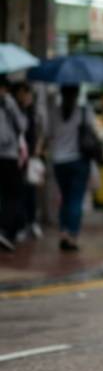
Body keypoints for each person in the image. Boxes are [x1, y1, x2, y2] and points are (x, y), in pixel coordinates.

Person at [46, 85, 96, 252]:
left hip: (59, 161)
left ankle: (63, 233)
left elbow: (48, 135)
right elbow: (93, 132)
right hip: (78, 161)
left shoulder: (54, 112)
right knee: (75, 199)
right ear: (76, 94)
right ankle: (72, 236)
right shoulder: (83, 111)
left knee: (65, 199)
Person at [13, 82, 45, 240]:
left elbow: (39, 132)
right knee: (19, 192)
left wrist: (38, 147)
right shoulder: (13, 111)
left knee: (30, 191)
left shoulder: (32, 113)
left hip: (30, 156)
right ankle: (21, 223)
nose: (25, 96)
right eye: (22, 93)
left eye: (26, 93)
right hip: (17, 157)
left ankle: (31, 222)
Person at [0, 77, 29, 251]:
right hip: (7, 157)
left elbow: (23, 125)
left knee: (8, 194)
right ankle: (5, 229)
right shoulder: (8, 104)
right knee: (13, 195)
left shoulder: (8, 105)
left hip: (9, 157)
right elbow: (17, 129)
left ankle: (8, 230)